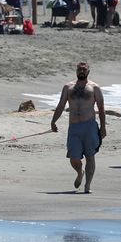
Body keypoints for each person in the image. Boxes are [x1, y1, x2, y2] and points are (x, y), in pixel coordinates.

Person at [50, 62, 106, 194]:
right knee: (74, 158)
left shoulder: (94, 88)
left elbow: (101, 109)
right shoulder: (68, 87)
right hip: (74, 127)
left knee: (90, 156)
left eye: (84, 69)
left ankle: (87, 185)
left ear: (88, 71)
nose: (82, 71)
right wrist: (53, 121)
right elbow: (61, 105)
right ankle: (80, 172)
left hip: (90, 126)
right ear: (76, 71)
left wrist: (103, 127)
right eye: (79, 69)